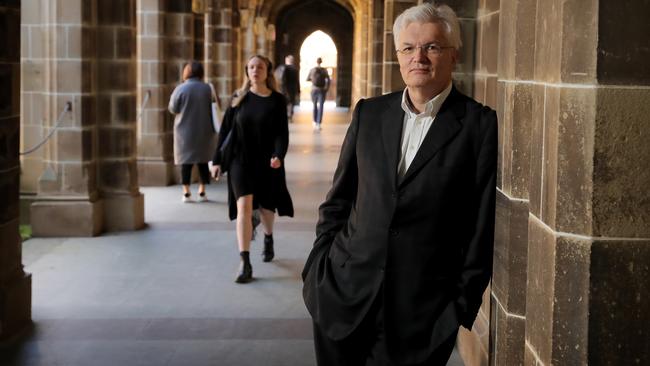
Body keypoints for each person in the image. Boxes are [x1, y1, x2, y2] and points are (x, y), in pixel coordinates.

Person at [302, 3, 497, 365]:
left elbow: (481, 226)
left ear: (454, 54)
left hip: (421, 315)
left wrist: (456, 311)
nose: (418, 57)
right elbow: (338, 201)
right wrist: (318, 269)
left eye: (432, 47)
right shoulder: (369, 114)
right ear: (397, 56)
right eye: (408, 48)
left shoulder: (478, 126)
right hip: (342, 294)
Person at [211, 54, 294, 284]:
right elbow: (226, 131)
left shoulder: (277, 100)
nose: (255, 70)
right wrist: (216, 159)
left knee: (267, 207)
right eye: (251, 67)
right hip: (241, 160)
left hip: (268, 161)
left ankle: (268, 237)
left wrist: (279, 154)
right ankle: (244, 261)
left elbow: (281, 133)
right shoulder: (239, 98)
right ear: (247, 71)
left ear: (267, 71)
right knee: (244, 206)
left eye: (259, 67)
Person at [168, 61, 217, 203]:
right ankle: (202, 191)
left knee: (186, 163)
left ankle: (186, 193)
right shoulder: (208, 88)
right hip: (204, 130)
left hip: (184, 131)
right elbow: (215, 105)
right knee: (203, 162)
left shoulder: (180, 89)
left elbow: (173, 108)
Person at [275, 55, 301, 122]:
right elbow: (297, 80)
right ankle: (290, 115)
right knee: (291, 102)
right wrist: (298, 90)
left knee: (284, 103)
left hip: (284, 89)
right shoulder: (295, 69)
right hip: (292, 89)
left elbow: (282, 80)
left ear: (286, 61)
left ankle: (284, 115)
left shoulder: (283, 68)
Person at [307, 57, 330, 131]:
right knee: (321, 106)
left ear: (316, 62)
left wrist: (312, 79)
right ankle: (319, 123)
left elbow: (307, 79)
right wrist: (326, 88)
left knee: (314, 105)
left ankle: (314, 121)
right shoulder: (324, 70)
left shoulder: (312, 70)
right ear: (321, 62)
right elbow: (328, 80)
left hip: (314, 89)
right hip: (322, 90)